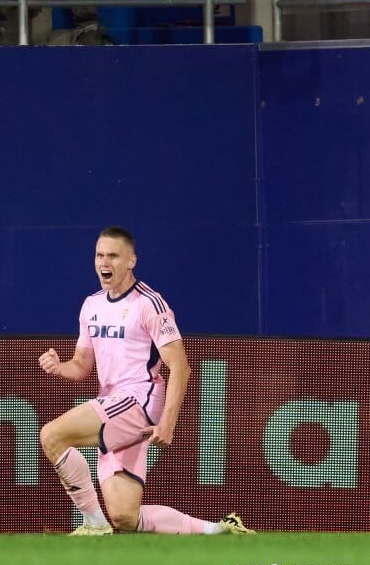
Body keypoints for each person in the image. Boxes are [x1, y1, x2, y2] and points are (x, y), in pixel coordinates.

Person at [37, 226, 253, 536]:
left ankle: (94, 526)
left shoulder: (150, 304)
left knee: (52, 436)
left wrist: (168, 423)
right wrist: (60, 368)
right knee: (125, 516)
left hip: (139, 400)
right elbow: (82, 365)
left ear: (131, 261)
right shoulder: (92, 305)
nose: (104, 262)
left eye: (113, 255)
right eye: (100, 255)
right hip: (113, 405)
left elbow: (180, 366)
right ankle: (219, 531)